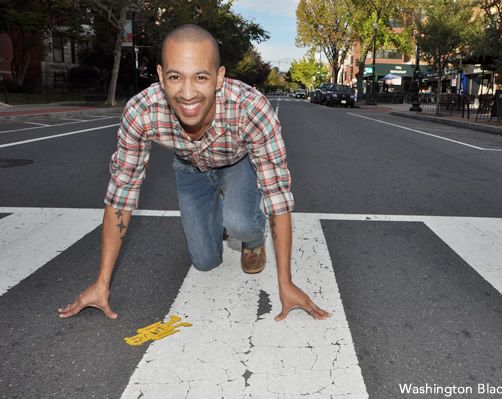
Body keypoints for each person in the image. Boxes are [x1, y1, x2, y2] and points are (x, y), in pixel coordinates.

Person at [58, 24, 330, 322]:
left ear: (219, 77)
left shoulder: (251, 109)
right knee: (204, 261)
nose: (187, 94)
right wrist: (102, 283)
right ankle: (222, 214)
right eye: (175, 77)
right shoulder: (142, 112)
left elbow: (277, 196)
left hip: (237, 164)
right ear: (161, 76)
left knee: (241, 223)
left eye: (200, 77)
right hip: (189, 169)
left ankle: (251, 240)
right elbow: (120, 195)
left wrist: (285, 283)